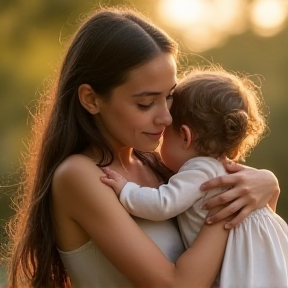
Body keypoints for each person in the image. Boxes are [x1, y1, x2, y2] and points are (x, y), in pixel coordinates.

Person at [6, 7, 280, 288]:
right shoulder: (80, 176)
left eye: (169, 97)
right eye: (146, 103)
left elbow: (249, 243)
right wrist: (230, 205)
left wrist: (268, 186)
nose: (166, 117)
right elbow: (177, 284)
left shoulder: (160, 163)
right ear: (91, 99)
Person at [101, 66, 288, 287]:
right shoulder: (225, 170)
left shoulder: (198, 170)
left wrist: (126, 190)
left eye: (165, 135)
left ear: (185, 136)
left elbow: (163, 203)